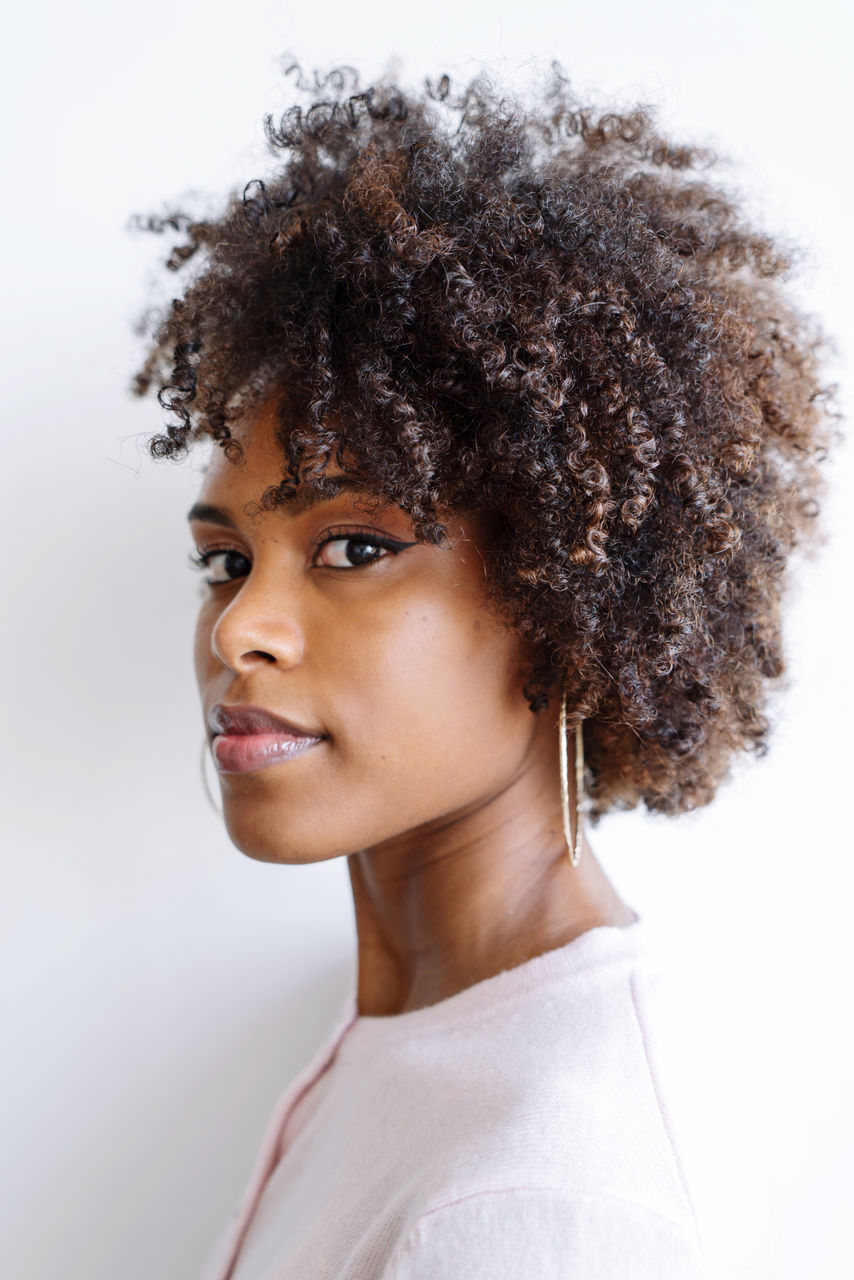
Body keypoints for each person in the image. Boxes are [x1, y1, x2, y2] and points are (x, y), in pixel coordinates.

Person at [132, 61, 838, 1279]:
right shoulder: (411, 1024)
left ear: (566, 598)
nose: (240, 628)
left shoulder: (539, 1204)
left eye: (354, 546)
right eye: (225, 559)